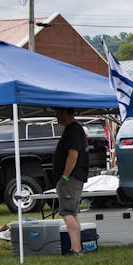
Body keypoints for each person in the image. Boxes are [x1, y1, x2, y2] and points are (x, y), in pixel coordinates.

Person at [53, 107, 88, 256]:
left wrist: (65, 176)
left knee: (67, 212)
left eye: (58, 113)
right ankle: (77, 247)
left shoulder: (73, 130)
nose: (56, 116)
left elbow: (73, 154)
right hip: (73, 178)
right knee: (72, 213)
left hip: (71, 178)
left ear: (65, 113)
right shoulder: (74, 129)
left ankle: (76, 249)